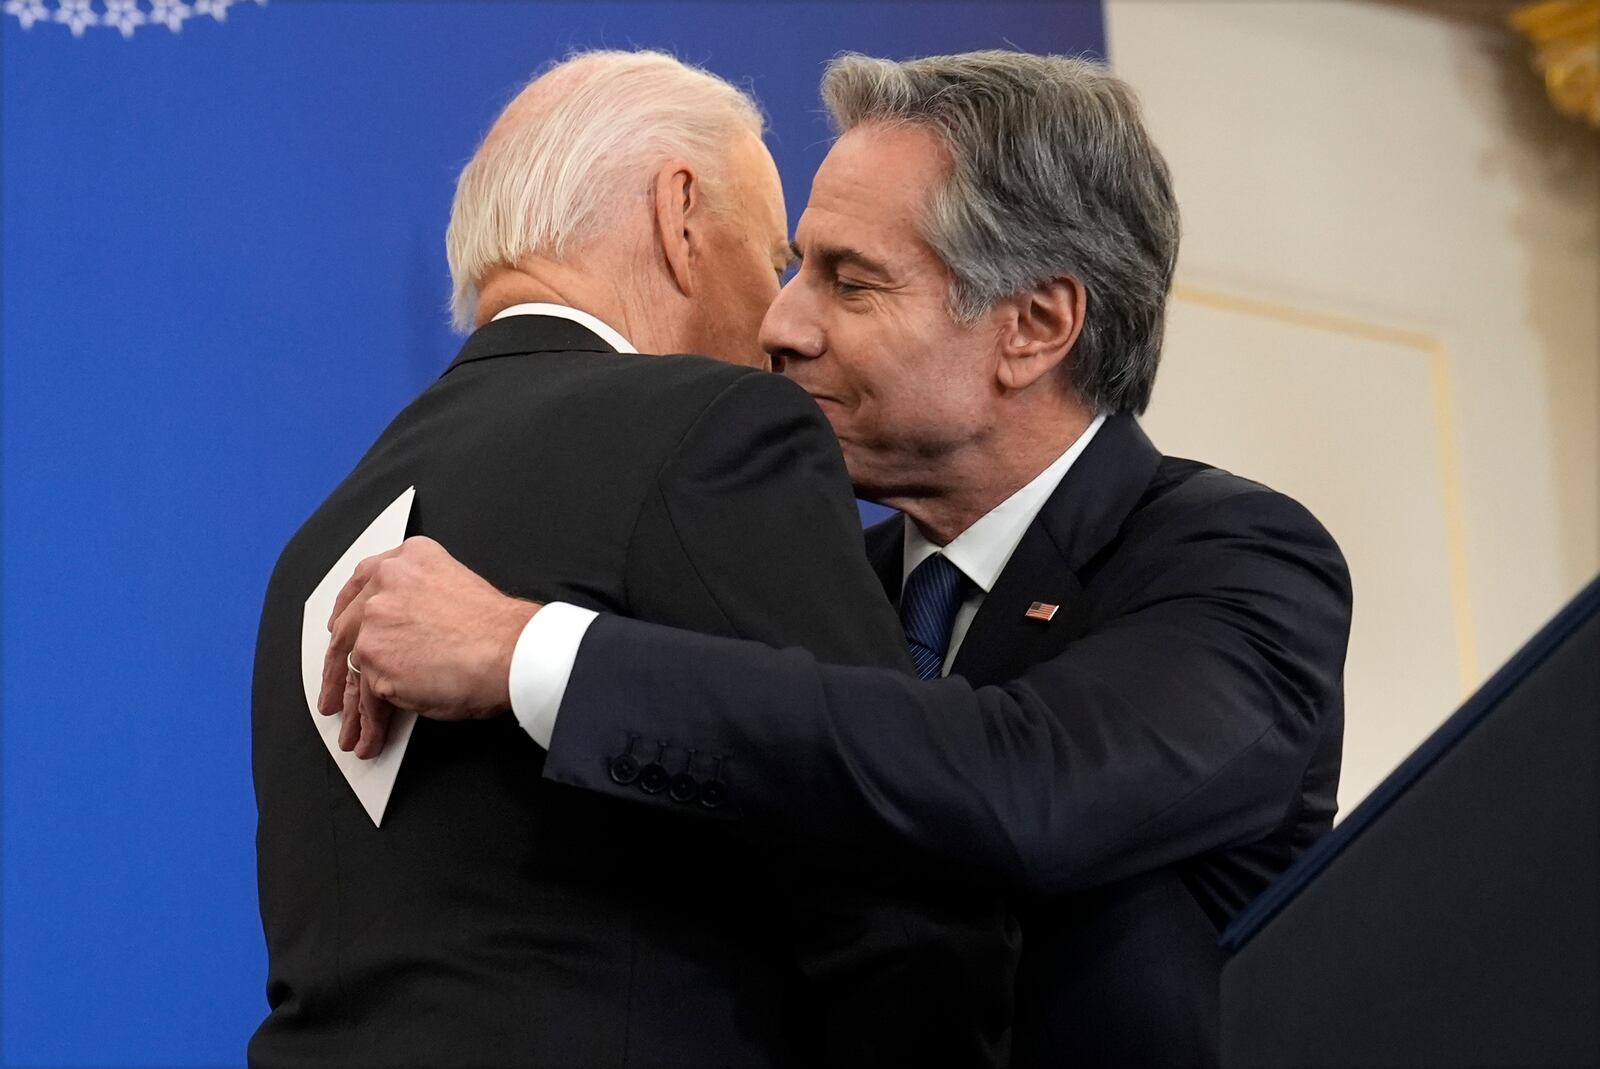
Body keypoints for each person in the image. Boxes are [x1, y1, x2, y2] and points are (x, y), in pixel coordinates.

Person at [327, 51, 1353, 1067]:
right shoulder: (816, 582)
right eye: (794, 266)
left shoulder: (1236, 561)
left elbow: (1031, 789)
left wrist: (532, 653)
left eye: (848, 282)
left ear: (1033, 327)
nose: (779, 324)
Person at [252, 49, 1013, 1069]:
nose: (783, 320)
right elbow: (886, 852)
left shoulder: (317, 546)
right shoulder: (710, 426)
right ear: (680, 213)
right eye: (773, 256)